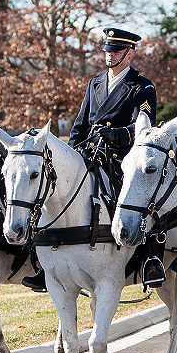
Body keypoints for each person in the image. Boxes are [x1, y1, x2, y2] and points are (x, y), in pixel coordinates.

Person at [25, 27, 163, 292]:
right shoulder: (95, 82)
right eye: (108, 51)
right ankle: (47, 265)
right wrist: (70, 153)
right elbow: (79, 125)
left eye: (117, 51)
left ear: (130, 54)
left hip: (120, 157)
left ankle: (150, 258)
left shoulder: (141, 86)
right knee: (52, 193)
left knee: (141, 200)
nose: (110, 56)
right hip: (89, 155)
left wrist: (115, 135)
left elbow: (142, 126)